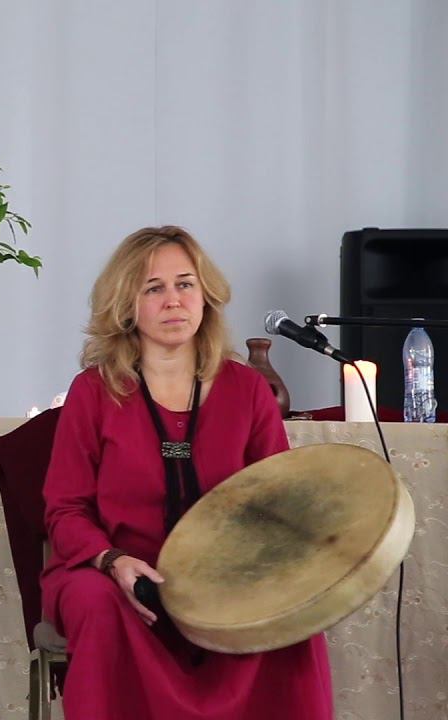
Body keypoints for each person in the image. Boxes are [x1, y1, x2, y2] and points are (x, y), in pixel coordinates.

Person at [40, 226, 332, 719]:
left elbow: (277, 502)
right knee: (94, 601)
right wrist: (112, 561)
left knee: (291, 608)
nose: (173, 300)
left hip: (226, 576)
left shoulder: (248, 390)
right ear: (127, 305)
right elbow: (66, 509)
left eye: (185, 284)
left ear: (205, 295)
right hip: (114, 572)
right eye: (153, 288)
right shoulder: (94, 391)